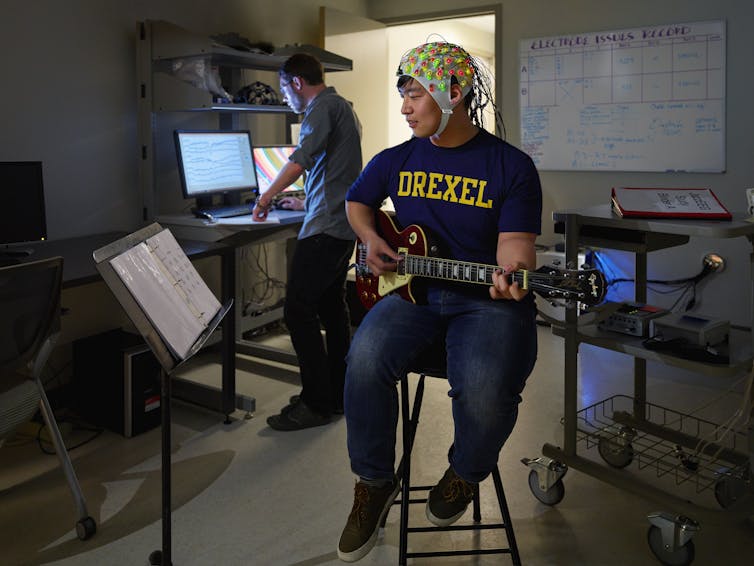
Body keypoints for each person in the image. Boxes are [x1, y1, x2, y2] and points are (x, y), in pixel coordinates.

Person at [336, 41, 542, 562]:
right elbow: (357, 202)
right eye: (402, 95)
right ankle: (374, 483)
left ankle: (465, 471)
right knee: (361, 360)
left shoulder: (511, 166)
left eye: (414, 94)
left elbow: (514, 249)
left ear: (454, 92)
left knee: (485, 393)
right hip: (412, 293)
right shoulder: (395, 158)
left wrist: (512, 274)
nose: (404, 106)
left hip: (487, 303)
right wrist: (368, 239)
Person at [253, 53, 363, 431]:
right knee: (331, 307)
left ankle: (315, 403)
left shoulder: (321, 108)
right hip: (339, 221)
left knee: (297, 310)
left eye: (284, 88)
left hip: (327, 227)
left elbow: (301, 159)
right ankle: (336, 394)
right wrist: (303, 199)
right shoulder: (343, 108)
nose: (284, 97)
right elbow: (334, 172)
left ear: (297, 83)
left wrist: (266, 197)